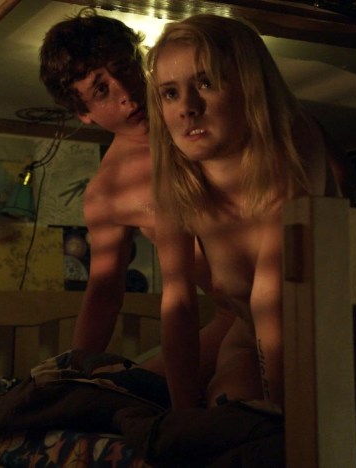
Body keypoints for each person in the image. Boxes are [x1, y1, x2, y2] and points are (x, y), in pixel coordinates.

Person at [145, 13, 344, 411]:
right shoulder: (175, 183)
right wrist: (184, 419)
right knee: (229, 412)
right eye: (170, 93)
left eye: (206, 82)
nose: (187, 108)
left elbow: (275, 296)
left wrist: (286, 423)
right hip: (249, 338)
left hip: (348, 335)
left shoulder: (294, 141)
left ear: (250, 85)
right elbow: (179, 303)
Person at [38, 8, 235, 389]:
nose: (126, 94)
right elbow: (104, 292)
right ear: (83, 112)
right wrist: (75, 370)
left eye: (124, 68)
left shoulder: (202, 113)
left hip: (300, 291)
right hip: (236, 317)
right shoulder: (109, 192)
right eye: (101, 90)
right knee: (121, 394)